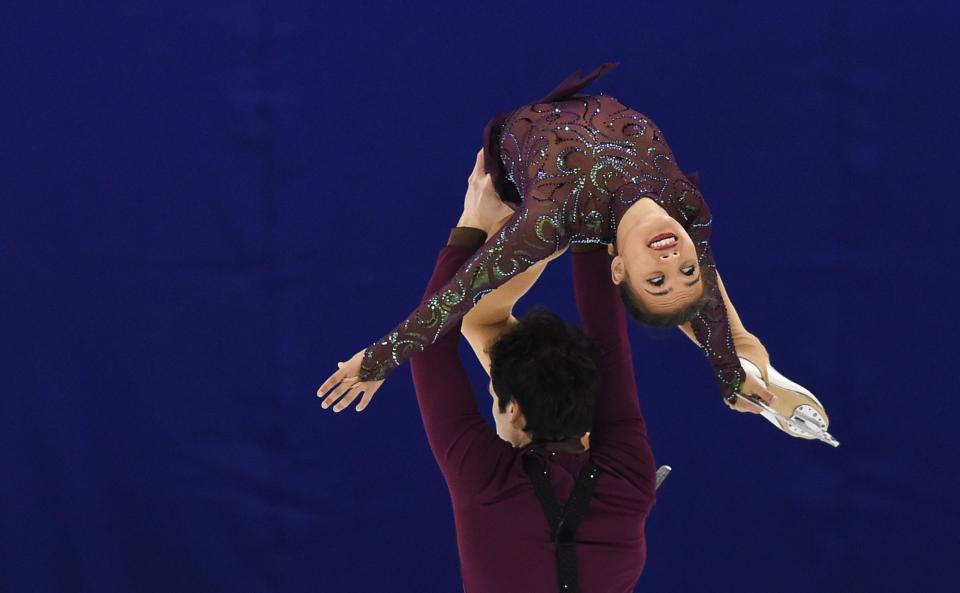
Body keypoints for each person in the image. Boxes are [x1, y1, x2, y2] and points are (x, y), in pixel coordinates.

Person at [317, 62, 831, 441]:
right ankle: (750, 367)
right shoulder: (687, 209)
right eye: (685, 268)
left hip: (531, 187)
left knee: (478, 319)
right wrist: (729, 365)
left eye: (657, 278)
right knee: (715, 322)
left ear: (618, 266)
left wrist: (377, 359)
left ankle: (550, 433)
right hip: (569, 180)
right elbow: (707, 308)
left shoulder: (550, 223)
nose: (672, 262)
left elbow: (453, 297)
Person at [398, 174, 659, 593]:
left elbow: (608, 342)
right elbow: (427, 345)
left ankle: (547, 229)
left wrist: (591, 225)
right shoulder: (626, 473)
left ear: (514, 408)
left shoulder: (490, 477)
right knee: (483, 323)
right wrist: (471, 226)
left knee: (482, 323)